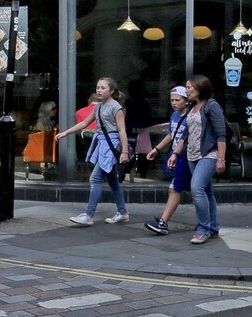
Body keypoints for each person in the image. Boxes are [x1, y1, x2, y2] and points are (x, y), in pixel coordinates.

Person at [57, 77, 130, 225]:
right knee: (113, 181)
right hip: (102, 144)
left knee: (95, 179)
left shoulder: (116, 107)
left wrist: (124, 151)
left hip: (110, 145)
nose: (99, 90)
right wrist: (66, 133)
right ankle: (123, 212)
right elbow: (84, 123)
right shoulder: (97, 107)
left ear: (111, 90)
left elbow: (122, 130)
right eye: (98, 87)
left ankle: (89, 215)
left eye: (103, 88)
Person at [144, 85, 191, 235]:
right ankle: (209, 222)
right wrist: (156, 149)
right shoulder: (174, 116)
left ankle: (163, 222)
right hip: (176, 155)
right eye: (172, 100)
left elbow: (187, 138)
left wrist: (176, 153)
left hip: (185, 156)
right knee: (192, 189)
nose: (174, 103)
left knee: (175, 188)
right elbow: (171, 134)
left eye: (178, 100)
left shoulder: (191, 116)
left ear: (186, 100)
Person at [186, 74, 228, 244]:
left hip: (209, 154)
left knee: (196, 189)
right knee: (206, 191)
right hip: (192, 155)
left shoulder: (212, 106)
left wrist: (221, 159)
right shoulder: (192, 107)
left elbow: (221, 134)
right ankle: (213, 227)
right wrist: (174, 154)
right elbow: (186, 133)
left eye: (190, 87)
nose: (187, 90)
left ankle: (203, 229)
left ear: (200, 88)